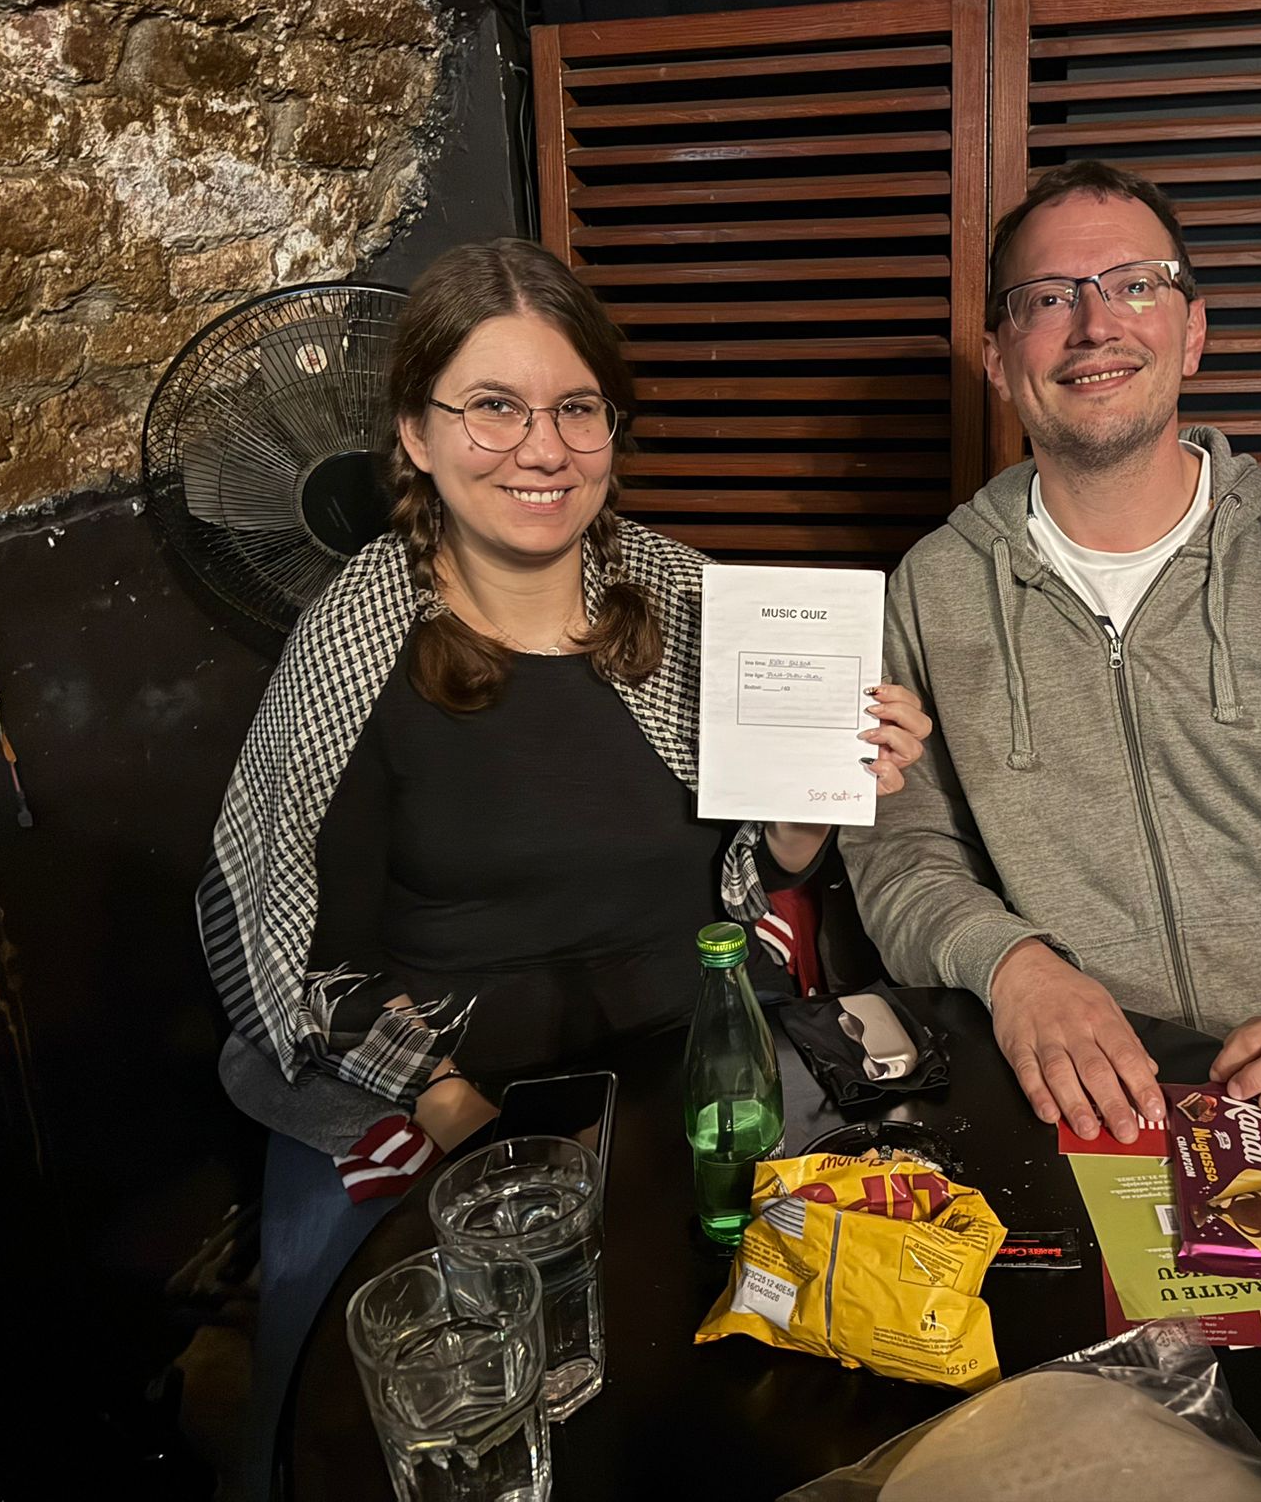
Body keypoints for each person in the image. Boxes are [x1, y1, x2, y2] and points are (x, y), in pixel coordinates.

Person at [196, 238, 930, 1494]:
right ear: (416, 434)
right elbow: (308, 956)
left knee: (808, 1395)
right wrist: (466, 1124)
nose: (541, 449)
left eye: (575, 409)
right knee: (368, 1430)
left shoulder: (690, 602)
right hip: (443, 1098)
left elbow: (759, 873)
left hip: (694, 1066)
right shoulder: (354, 641)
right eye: (492, 407)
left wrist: (825, 796)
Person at [840, 160, 1261, 1151]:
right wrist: (1011, 966)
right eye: (1047, 298)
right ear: (997, 358)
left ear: (1191, 331)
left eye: (1134, 285)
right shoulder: (931, 589)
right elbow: (899, 851)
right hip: (1065, 1097)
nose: (1093, 325)